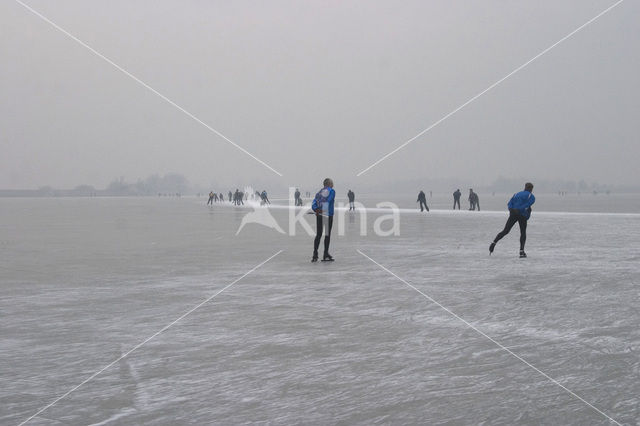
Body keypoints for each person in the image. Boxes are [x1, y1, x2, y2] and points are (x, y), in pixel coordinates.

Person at [490, 182, 535, 258]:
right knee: (523, 232)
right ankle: (521, 251)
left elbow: (510, 203)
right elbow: (527, 205)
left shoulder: (516, 194)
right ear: (531, 189)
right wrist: (519, 209)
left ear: (525, 187)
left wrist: (511, 209)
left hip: (513, 213)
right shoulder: (531, 196)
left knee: (505, 230)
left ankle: (493, 243)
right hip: (522, 215)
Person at [311, 178, 336, 262]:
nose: (333, 184)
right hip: (327, 215)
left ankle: (315, 254)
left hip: (319, 215)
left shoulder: (319, 192)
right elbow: (328, 201)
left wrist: (317, 210)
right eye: (332, 183)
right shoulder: (331, 191)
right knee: (327, 234)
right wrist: (324, 211)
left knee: (318, 234)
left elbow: (314, 203)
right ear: (329, 184)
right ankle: (325, 254)